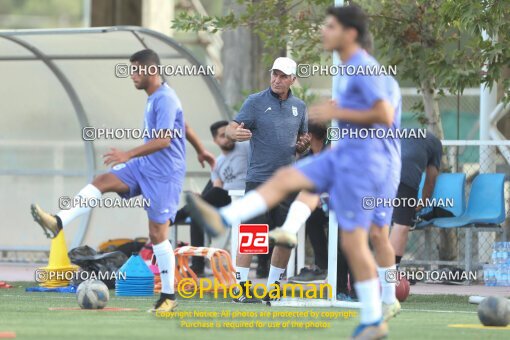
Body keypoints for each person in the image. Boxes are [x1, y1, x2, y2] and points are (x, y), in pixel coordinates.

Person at [186, 5, 400, 338]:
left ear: (350, 34)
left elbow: (384, 114)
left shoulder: (361, 67)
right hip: (345, 156)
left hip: (370, 161)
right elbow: (233, 127)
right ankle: (229, 220)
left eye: (330, 26)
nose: (323, 31)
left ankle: (377, 310)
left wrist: (335, 111)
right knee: (305, 199)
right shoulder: (342, 70)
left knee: (362, 237)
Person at [30, 49, 214, 313]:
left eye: (136, 69)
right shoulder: (155, 97)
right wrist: (201, 150)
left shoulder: (165, 99)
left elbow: (164, 140)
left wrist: (127, 153)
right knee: (103, 180)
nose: (131, 75)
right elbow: (184, 127)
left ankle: (169, 297)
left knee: (157, 234)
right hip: (143, 166)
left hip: (164, 175)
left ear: (151, 70)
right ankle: (58, 221)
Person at [214, 56, 310, 302]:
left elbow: (301, 142)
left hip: (287, 182)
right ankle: (240, 290)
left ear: (293, 80)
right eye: (274, 74)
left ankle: (273, 290)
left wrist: (303, 145)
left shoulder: (300, 106)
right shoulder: (255, 102)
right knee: (252, 237)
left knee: (285, 239)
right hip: (259, 181)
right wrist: (236, 132)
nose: (277, 80)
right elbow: (229, 129)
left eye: (283, 76)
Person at [174, 120, 249, 275]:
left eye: (228, 134)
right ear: (215, 140)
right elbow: (217, 186)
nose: (227, 138)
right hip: (227, 201)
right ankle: (198, 266)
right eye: (223, 136)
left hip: (247, 196)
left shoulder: (245, 147)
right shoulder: (218, 163)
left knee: (209, 198)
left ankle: (174, 217)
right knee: (197, 215)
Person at [390, 131, 442, 266]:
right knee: (401, 226)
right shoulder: (435, 143)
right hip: (404, 176)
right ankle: (389, 273)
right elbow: (430, 180)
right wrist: (422, 203)